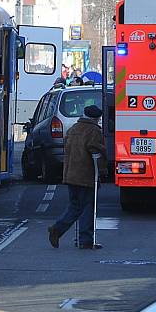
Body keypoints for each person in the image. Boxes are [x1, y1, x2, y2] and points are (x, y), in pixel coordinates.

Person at [48, 105, 108, 249]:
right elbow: (95, 151)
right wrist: (102, 169)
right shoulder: (93, 131)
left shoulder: (73, 129)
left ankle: (58, 229)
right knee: (88, 207)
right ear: (96, 118)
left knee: (75, 206)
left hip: (70, 175)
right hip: (86, 176)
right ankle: (85, 239)